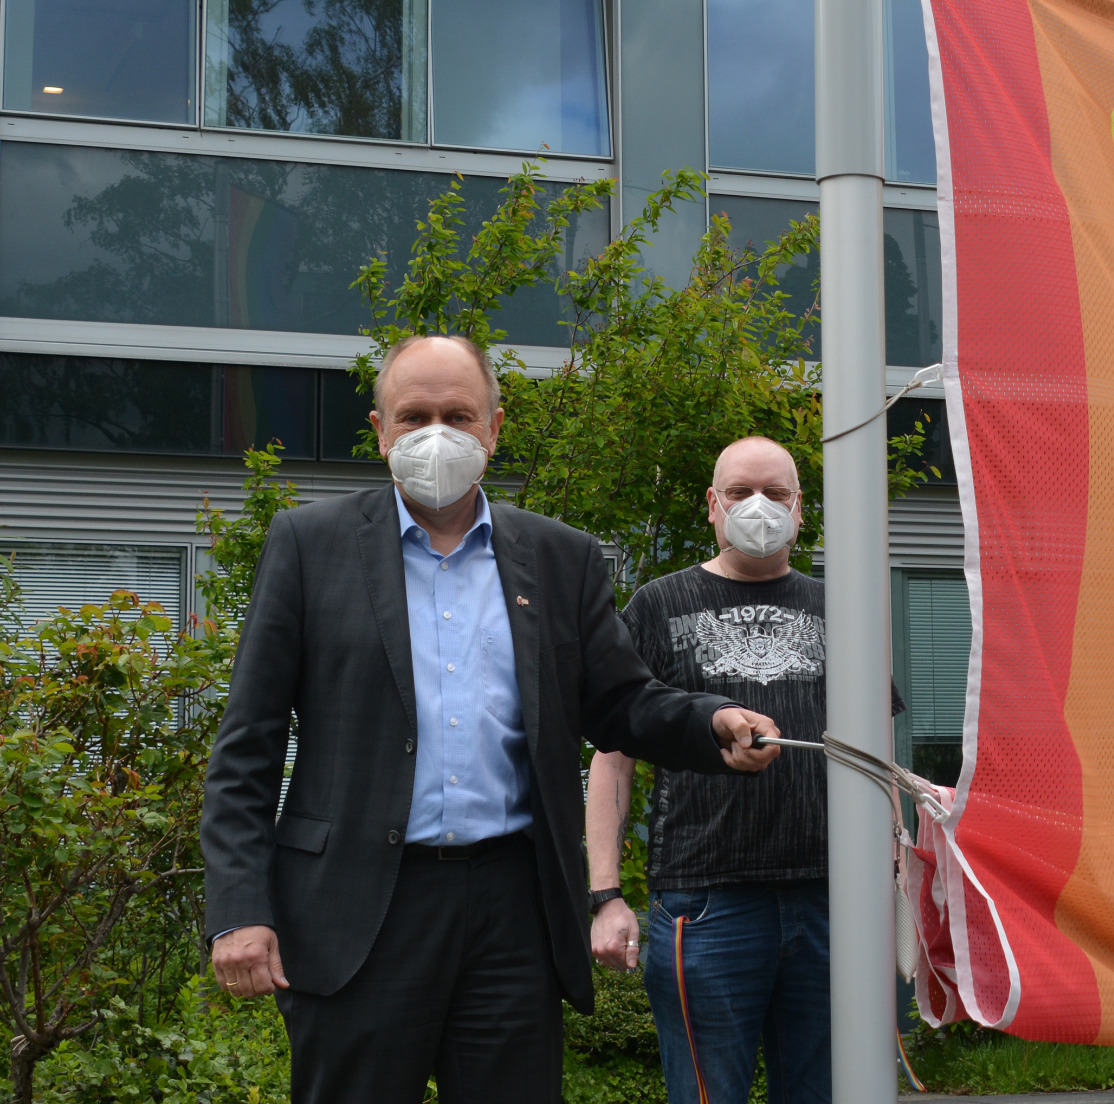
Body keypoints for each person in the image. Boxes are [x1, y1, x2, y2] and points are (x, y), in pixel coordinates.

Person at [200, 335, 783, 1104]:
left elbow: (619, 702)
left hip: (514, 908)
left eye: (458, 414)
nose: (435, 433)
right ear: (378, 430)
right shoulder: (310, 547)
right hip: (356, 910)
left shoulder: (560, 556)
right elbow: (248, 744)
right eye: (413, 415)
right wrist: (239, 908)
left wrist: (710, 724)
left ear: (494, 428)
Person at [584, 436, 897, 1104]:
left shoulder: (844, 607)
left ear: (801, 508)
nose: (759, 507)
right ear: (712, 505)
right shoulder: (657, 604)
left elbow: (880, 752)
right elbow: (612, 756)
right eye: (740, 492)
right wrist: (605, 894)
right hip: (705, 903)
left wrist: (897, 875)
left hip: (832, 902)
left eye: (776, 493)